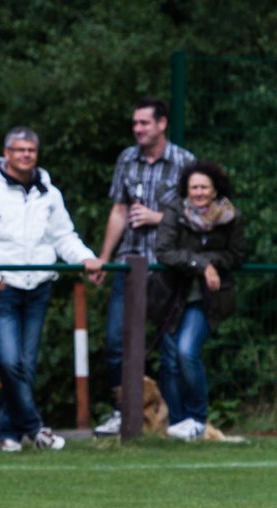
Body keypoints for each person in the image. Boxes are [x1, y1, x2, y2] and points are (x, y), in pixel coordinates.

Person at [0, 127, 104, 452]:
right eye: (20, 149)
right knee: (11, 361)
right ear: (6, 152)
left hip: (39, 286)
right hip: (3, 289)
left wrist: (86, 258)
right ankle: (37, 428)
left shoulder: (48, 191)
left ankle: (9, 434)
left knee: (26, 364)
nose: (26, 155)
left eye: (31, 150)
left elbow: (63, 236)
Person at [93, 97, 195, 436]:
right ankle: (122, 414)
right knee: (115, 342)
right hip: (129, 265)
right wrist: (104, 260)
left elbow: (198, 215)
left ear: (162, 124)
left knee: (170, 348)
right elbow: (119, 211)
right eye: (135, 123)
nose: (137, 129)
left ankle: (175, 421)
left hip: (168, 269)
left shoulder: (184, 161)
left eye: (144, 123)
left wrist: (159, 217)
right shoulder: (127, 158)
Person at [153, 162, 247, 440]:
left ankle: (198, 418)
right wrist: (200, 265)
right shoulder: (174, 212)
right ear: (187, 189)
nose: (198, 192)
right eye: (194, 187)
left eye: (204, 186)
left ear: (214, 189)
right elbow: (164, 251)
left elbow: (237, 255)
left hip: (208, 299)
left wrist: (211, 263)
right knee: (169, 361)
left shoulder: (231, 217)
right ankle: (177, 423)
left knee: (186, 351)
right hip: (172, 296)